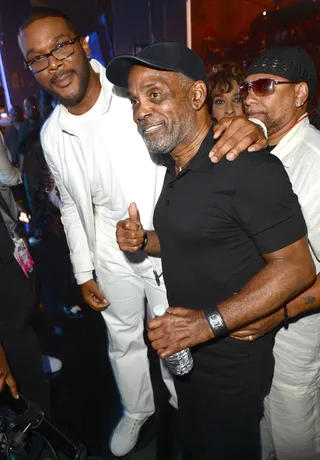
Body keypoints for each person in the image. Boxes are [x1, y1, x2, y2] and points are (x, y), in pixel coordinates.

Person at [18, 8, 269, 457]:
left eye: (59, 47)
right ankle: (138, 410)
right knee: (123, 338)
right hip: (111, 250)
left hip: (166, 242)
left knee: (175, 334)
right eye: (37, 59)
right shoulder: (53, 134)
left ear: (82, 45)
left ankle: (181, 404)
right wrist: (83, 270)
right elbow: (74, 208)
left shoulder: (134, 96)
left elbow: (195, 126)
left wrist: (247, 127)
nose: (53, 64)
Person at [108, 42, 316, 460]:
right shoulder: (178, 166)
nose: (140, 111)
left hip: (232, 364)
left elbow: (297, 267)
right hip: (193, 359)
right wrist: (144, 239)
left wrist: (206, 323)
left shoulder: (247, 165)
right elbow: (201, 236)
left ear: (197, 96)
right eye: (134, 101)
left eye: (155, 94)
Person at [232, 46, 320, 460]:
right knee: (262, 436)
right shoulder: (261, 155)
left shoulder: (314, 163)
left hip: (294, 336)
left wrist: (279, 314)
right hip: (257, 328)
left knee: (294, 439)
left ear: (300, 93)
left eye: (264, 86)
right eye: (245, 88)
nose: (250, 97)